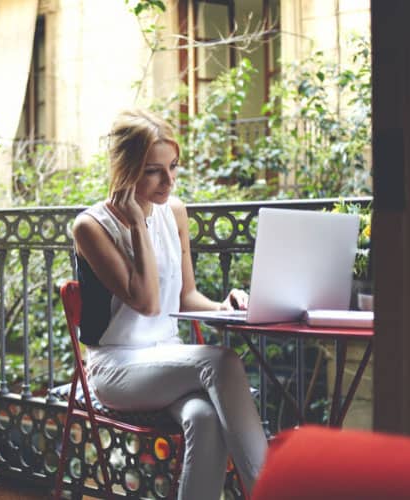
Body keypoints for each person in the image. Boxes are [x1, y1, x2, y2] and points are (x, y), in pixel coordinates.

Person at [72, 109, 267, 498]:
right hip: (116, 368)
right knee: (223, 361)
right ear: (126, 169)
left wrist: (224, 306)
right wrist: (139, 225)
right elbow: (145, 302)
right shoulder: (90, 227)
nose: (169, 180)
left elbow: (186, 296)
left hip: (168, 358)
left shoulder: (175, 211)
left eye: (172, 166)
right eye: (153, 170)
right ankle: (273, 491)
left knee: (204, 417)